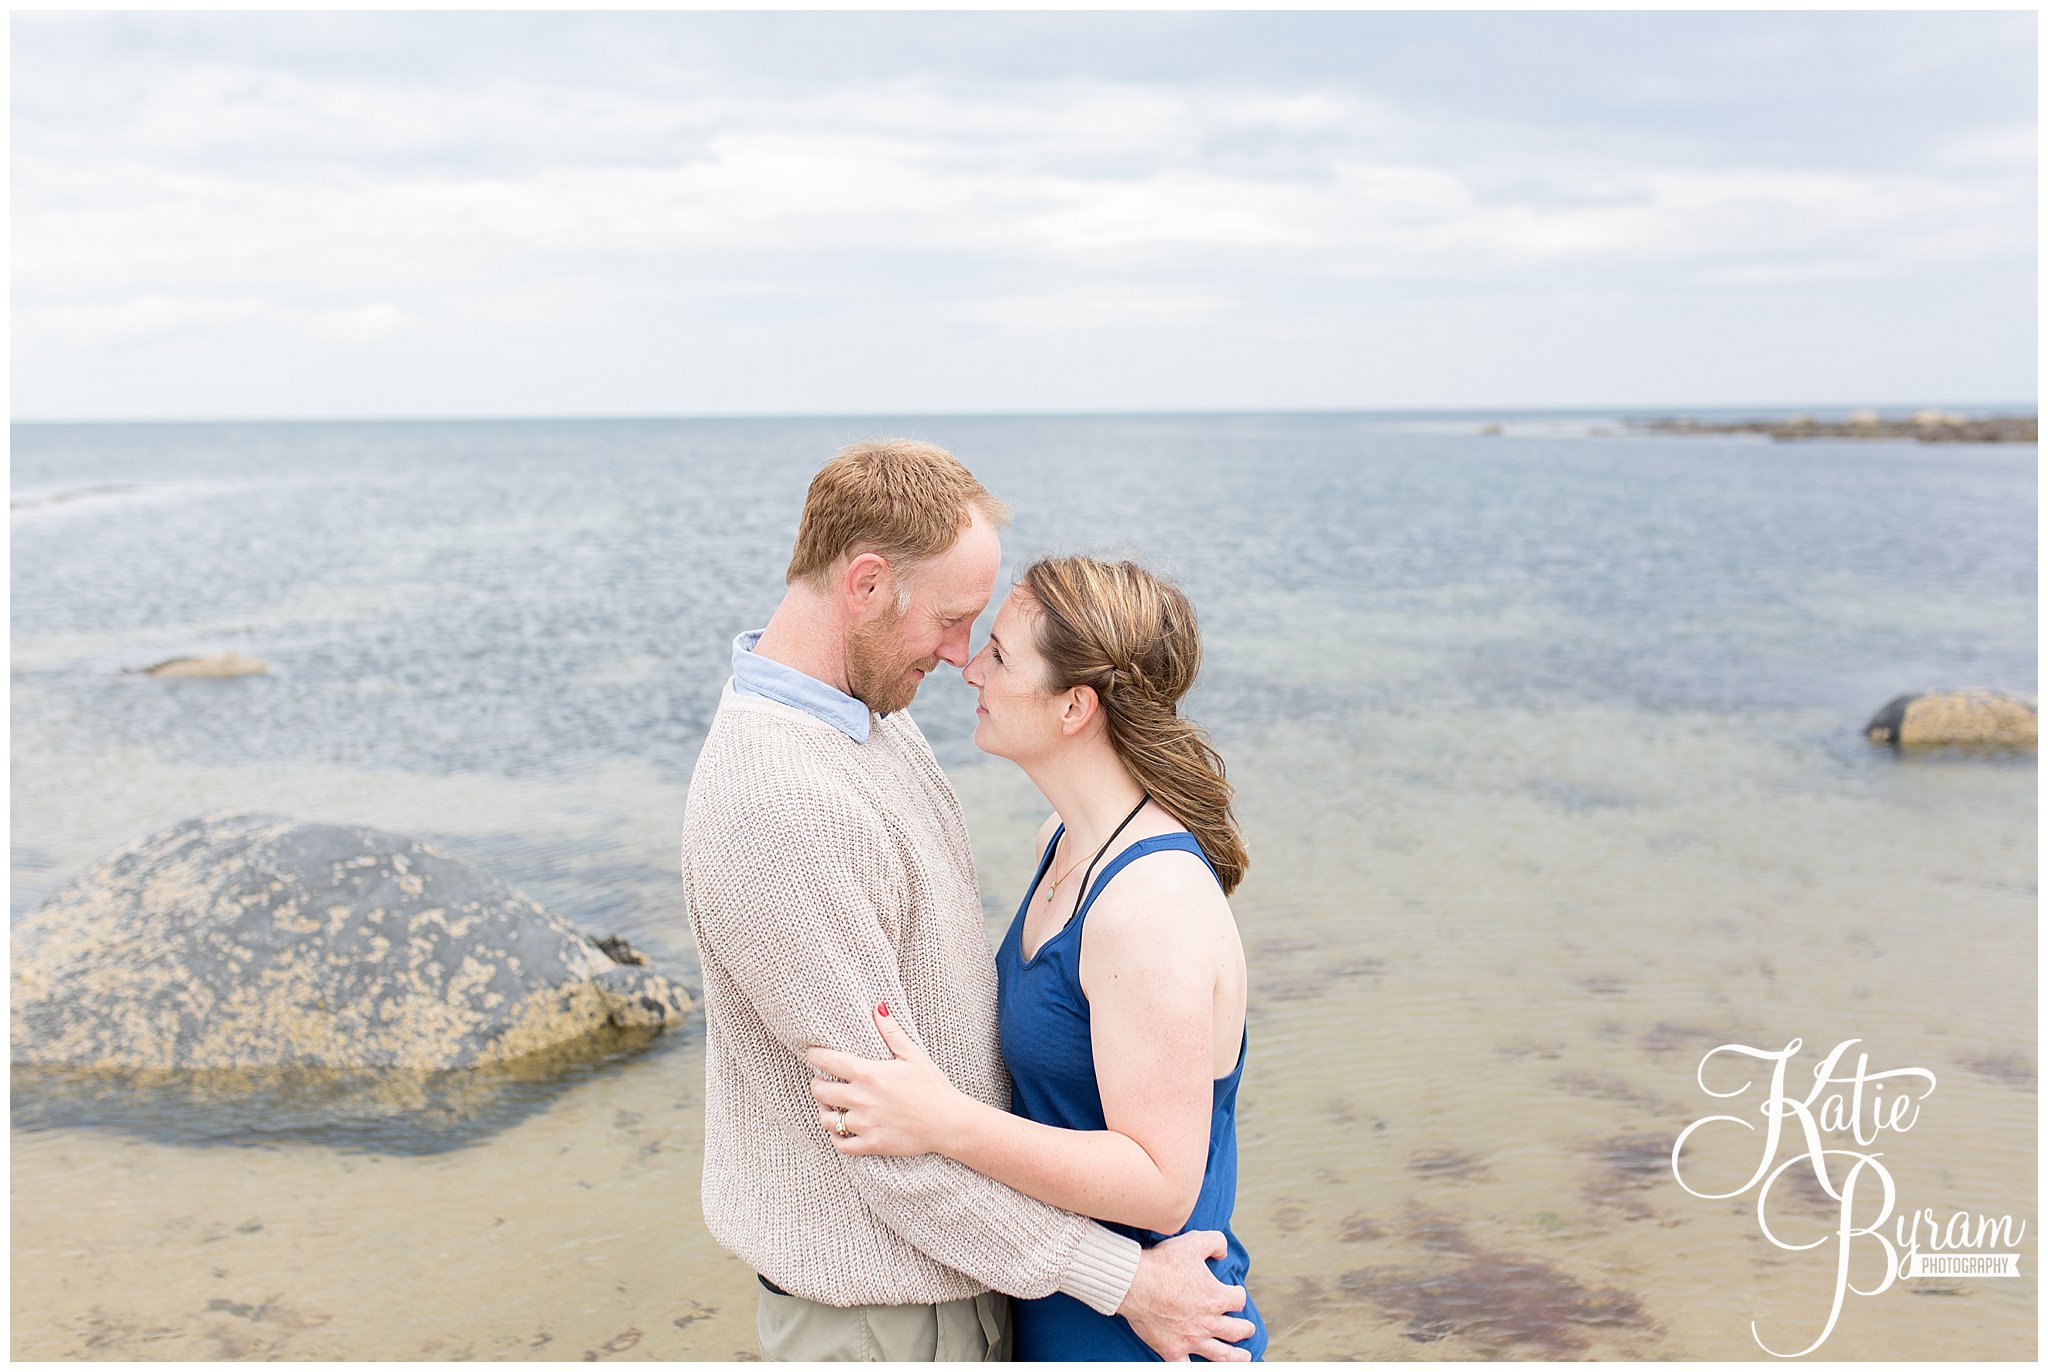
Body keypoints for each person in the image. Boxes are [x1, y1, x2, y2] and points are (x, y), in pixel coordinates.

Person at [680, 441, 1257, 1362]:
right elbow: (885, 1145)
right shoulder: (780, 803)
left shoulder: (875, 724)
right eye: (955, 623)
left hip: (1002, 1287)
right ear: (866, 585)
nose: (961, 661)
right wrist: (1125, 1282)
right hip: (886, 1316)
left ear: (1077, 706)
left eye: (986, 638)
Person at [807, 555, 1269, 1361]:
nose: (970, 668)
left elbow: (1163, 1187)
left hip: (1145, 1330)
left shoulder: (1147, 905)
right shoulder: (1060, 846)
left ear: (1074, 708)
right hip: (1066, 1303)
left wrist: (944, 1123)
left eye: (1001, 656)